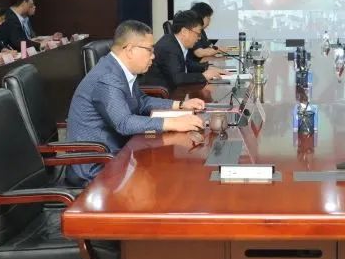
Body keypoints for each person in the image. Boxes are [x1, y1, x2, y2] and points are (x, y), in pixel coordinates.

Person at [65, 20, 205, 186]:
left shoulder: (120, 69)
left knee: (167, 171)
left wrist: (180, 105)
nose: (153, 56)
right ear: (130, 50)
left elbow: (141, 101)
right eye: (149, 50)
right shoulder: (107, 78)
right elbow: (124, 123)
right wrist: (174, 123)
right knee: (167, 177)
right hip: (96, 163)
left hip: (118, 150)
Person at [147, 10, 226, 91]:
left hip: (174, 89)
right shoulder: (168, 48)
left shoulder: (176, 42)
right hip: (163, 94)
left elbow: (186, 64)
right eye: (198, 34)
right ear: (184, 32)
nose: (199, 38)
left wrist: (206, 67)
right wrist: (204, 76)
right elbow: (177, 78)